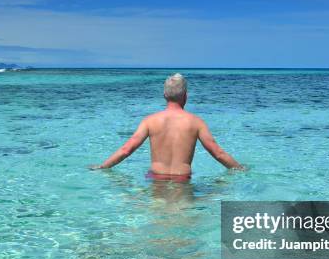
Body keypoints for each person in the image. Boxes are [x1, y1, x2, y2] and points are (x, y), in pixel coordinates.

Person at [89, 73, 243, 181]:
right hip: (182, 179)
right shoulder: (196, 122)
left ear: (164, 95)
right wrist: (240, 168)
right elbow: (218, 153)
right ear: (186, 96)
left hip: (156, 177)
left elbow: (126, 149)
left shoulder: (150, 121)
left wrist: (103, 166)